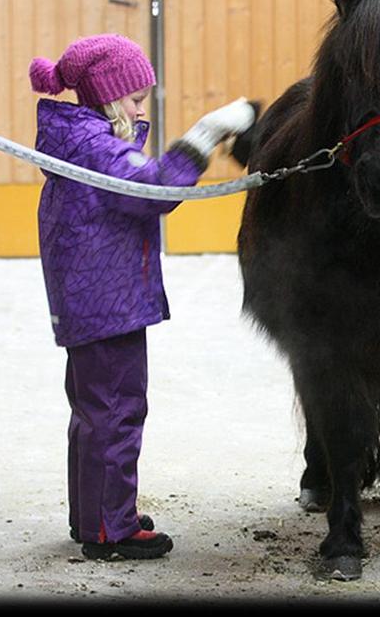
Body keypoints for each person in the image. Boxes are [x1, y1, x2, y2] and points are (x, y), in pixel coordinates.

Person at [29, 33, 257, 560]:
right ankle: (112, 532)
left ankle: (95, 515)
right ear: (107, 95)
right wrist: (206, 134)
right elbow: (154, 188)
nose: (139, 108)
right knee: (116, 410)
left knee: (93, 412)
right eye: (134, 98)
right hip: (106, 306)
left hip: (92, 301)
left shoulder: (80, 140)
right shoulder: (95, 148)